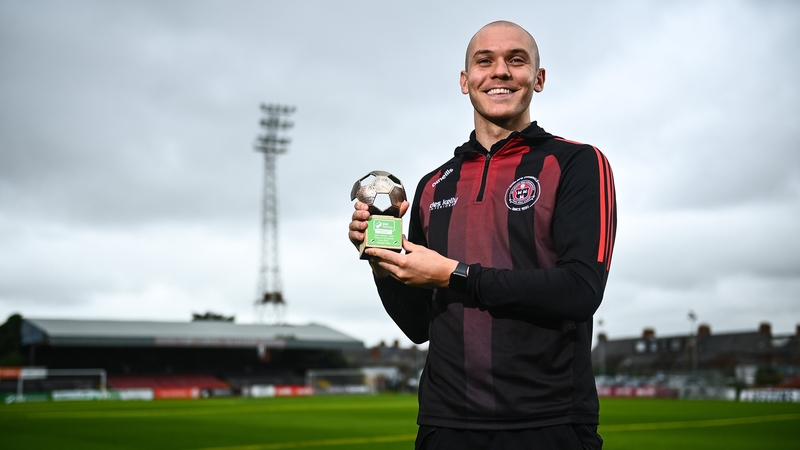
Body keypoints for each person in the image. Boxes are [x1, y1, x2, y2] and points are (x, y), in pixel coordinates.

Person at [348, 20, 615, 450]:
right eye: (484, 60)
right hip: (445, 425)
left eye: (516, 60)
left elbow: (580, 290)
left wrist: (454, 273)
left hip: (548, 423)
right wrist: (381, 260)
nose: (500, 72)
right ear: (464, 80)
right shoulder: (434, 185)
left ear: (539, 79)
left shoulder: (577, 163)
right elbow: (418, 325)